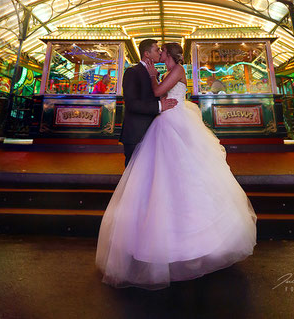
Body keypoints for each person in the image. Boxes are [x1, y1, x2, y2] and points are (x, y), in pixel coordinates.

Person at [96, 42, 257, 290]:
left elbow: (159, 90)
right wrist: (155, 87)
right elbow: (155, 96)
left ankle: (187, 243)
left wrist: (152, 78)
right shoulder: (147, 72)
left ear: (168, 55)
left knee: (182, 177)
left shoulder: (176, 70)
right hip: (162, 124)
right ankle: (144, 236)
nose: (158, 54)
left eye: (162, 51)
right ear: (148, 52)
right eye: (156, 50)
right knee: (155, 182)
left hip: (174, 124)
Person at [119, 38, 178, 167]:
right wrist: (159, 106)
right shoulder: (132, 72)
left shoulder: (155, 74)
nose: (160, 52)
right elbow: (131, 104)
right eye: (157, 50)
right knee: (133, 173)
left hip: (151, 132)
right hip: (136, 134)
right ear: (147, 54)